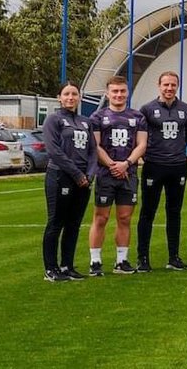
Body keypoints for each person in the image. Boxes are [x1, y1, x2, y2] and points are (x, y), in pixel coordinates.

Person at [88, 76, 147, 276]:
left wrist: (126, 163)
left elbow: (142, 144)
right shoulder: (97, 117)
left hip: (128, 174)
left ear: (127, 92)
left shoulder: (137, 117)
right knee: (101, 218)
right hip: (106, 174)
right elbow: (96, 146)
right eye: (115, 91)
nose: (119, 95)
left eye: (122, 91)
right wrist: (113, 165)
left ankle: (121, 261)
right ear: (107, 93)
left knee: (124, 218)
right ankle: (95, 262)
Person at [137, 71, 187, 272]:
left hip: (178, 166)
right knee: (148, 212)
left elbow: (186, 134)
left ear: (177, 86)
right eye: (166, 85)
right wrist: (150, 154)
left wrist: (177, 151)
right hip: (154, 165)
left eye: (173, 85)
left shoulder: (186, 109)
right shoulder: (147, 109)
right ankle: (142, 258)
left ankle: (174, 257)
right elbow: (140, 135)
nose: (169, 88)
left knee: (174, 212)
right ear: (158, 85)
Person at [42, 81, 94, 282]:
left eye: (74, 94)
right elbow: (55, 152)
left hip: (83, 181)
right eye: (66, 94)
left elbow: (92, 151)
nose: (71, 97)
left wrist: (89, 175)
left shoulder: (85, 122)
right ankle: (50, 268)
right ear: (59, 97)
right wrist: (77, 174)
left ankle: (67, 266)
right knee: (56, 223)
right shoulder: (53, 120)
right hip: (60, 176)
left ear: (79, 97)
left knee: (74, 224)